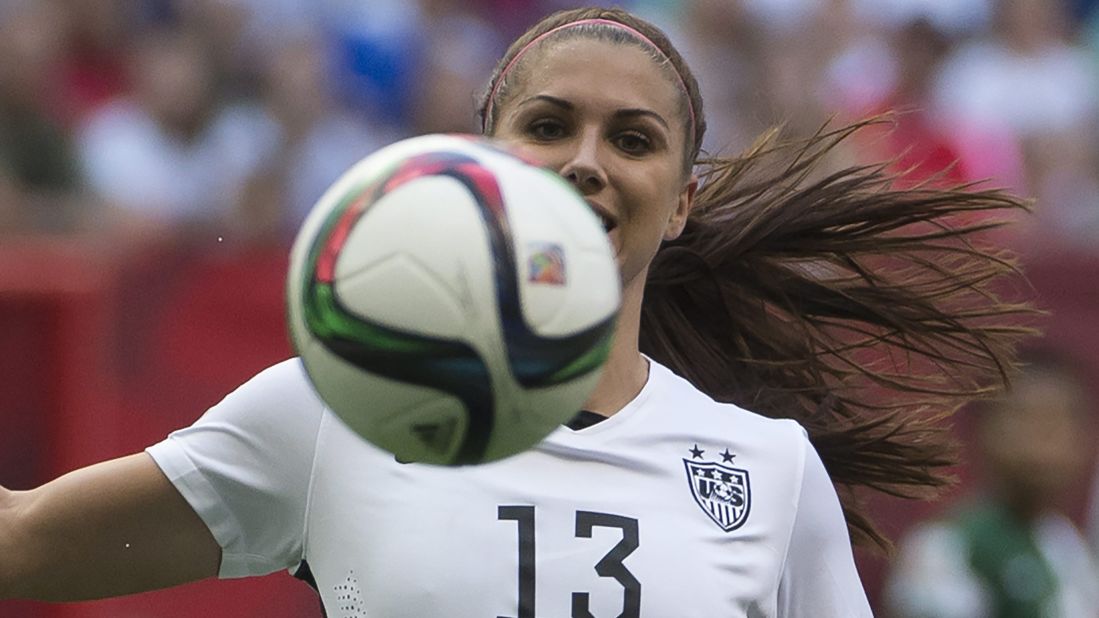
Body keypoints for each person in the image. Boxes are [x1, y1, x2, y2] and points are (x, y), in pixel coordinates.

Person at [0, 7, 1032, 617]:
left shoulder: (766, 470)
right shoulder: (340, 408)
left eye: (632, 139)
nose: (586, 160)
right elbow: (27, 542)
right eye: (549, 126)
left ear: (680, 203)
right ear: (483, 165)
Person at [886, 348, 1099, 617]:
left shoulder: (1066, 545)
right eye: (1026, 418)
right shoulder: (947, 546)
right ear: (984, 430)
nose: (1045, 441)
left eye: (1061, 422)